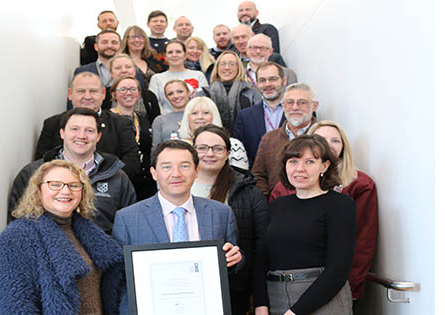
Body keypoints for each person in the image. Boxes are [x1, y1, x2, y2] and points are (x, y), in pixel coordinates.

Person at [0, 160, 125, 314]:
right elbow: (15, 307)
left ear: (83, 192)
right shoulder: (15, 239)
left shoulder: (89, 233)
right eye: (55, 184)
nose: (65, 191)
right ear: (38, 189)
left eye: (74, 185)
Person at [269, 120, 378, 301]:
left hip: (332, 285)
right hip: (284, 288)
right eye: (321, 139)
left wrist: (352, 285)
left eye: (335, 140)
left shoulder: (360, 185)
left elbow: (363, 242)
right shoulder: (283, 191)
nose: (328, 144)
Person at [254, 134, 356, 315]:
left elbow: (338, 270)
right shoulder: (277, 205)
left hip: (323, 299)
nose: (299, 169)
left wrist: (295, 312)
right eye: (293, 161)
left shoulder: (340, 204)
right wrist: (260, 305)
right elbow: (261, 259)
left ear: (324, 166)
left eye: (309, 162)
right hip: (277, 296)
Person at [112, 140, 243, 271]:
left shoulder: (221, 213)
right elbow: (119, 276)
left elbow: (234, 266)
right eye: (166, 167)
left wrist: (234, 261)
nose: (176, 174)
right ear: (154, 173)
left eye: (185, 166)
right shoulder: (127, 218)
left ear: (196, 171)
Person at [11, 108, 137, 234]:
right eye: (74, 129)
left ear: (98, 137)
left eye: (89, 130)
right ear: (62, 133)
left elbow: (129, 228)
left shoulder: (118, 178)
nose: (81, 136)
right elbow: (16, 224)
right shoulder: (32, 174)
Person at [191, 125, 268, 315]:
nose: (210, 153)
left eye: (217, 148)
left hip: (234, 289)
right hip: (188, 285)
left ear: (227, 153)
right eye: (202, 148)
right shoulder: (177, 185)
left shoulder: (248, 190)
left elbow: (262, 248)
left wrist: (260, 300)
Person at [35, 72, 141, 180]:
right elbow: (42, 163)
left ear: (103, 93)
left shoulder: (121, 124)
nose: (87, 96)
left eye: (93, 91)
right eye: (81, 91)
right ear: (70, 94)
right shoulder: (53, 124)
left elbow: (131, 164)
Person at [252, 82, 318, 196]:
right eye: (290, 102)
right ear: (283, 106)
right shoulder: (269, 138)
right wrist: (269, 201)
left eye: (302, 102)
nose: (295, 107)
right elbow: (258, 175)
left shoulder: (322, 137)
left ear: (315, 106)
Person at [110, 76, 157, 200]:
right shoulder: (106, 119)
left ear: (139, 93)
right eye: (123, 89)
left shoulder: (143, 120)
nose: (128, 93)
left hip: (145, 182)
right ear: (114, 94)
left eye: (133, 89)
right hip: (118, 180)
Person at [233, 62, 287, 166]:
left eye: (273, 79)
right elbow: (242, 155)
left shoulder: (299, 111)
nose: (267, 84)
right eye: (262, 80)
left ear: (284, 81)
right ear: (256, 84)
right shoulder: (244, 117)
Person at [195, 50, 262, 132]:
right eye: (222, 64)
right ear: (217, 67)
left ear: (238, 67)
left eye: (232, 64)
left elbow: (259, 119)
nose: (227, 67)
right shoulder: (203, 94)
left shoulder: (252, 92)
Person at [178, 96, 250, 170]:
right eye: (194, 113)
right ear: (187, 117)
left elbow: (241, 177)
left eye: (206, 113)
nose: (200, 117)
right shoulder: (178, 146)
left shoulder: (234, 145)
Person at [148, 40, 209, 114]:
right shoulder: (157, 78)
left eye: (178, 52)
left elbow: (205, 101)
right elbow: (154, 104)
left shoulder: (198, 75)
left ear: (185, 55)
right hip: (167, 121)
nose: (174, 55)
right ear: (165, 56)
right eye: (170, 52)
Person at [103, 54, 160, 123]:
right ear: (111, 73)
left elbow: (156, 123)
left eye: (128, 67)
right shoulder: (104, 95)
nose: (124, 70)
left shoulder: (149, 96)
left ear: (134, 71)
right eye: (118, 68)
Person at [151, 79, 191, 149]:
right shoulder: (160, 121)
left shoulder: (200, 117)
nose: (176, 96)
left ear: (188, 92)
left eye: (180, 91)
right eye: (170, 94)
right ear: (167, 97)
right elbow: (156, 150)